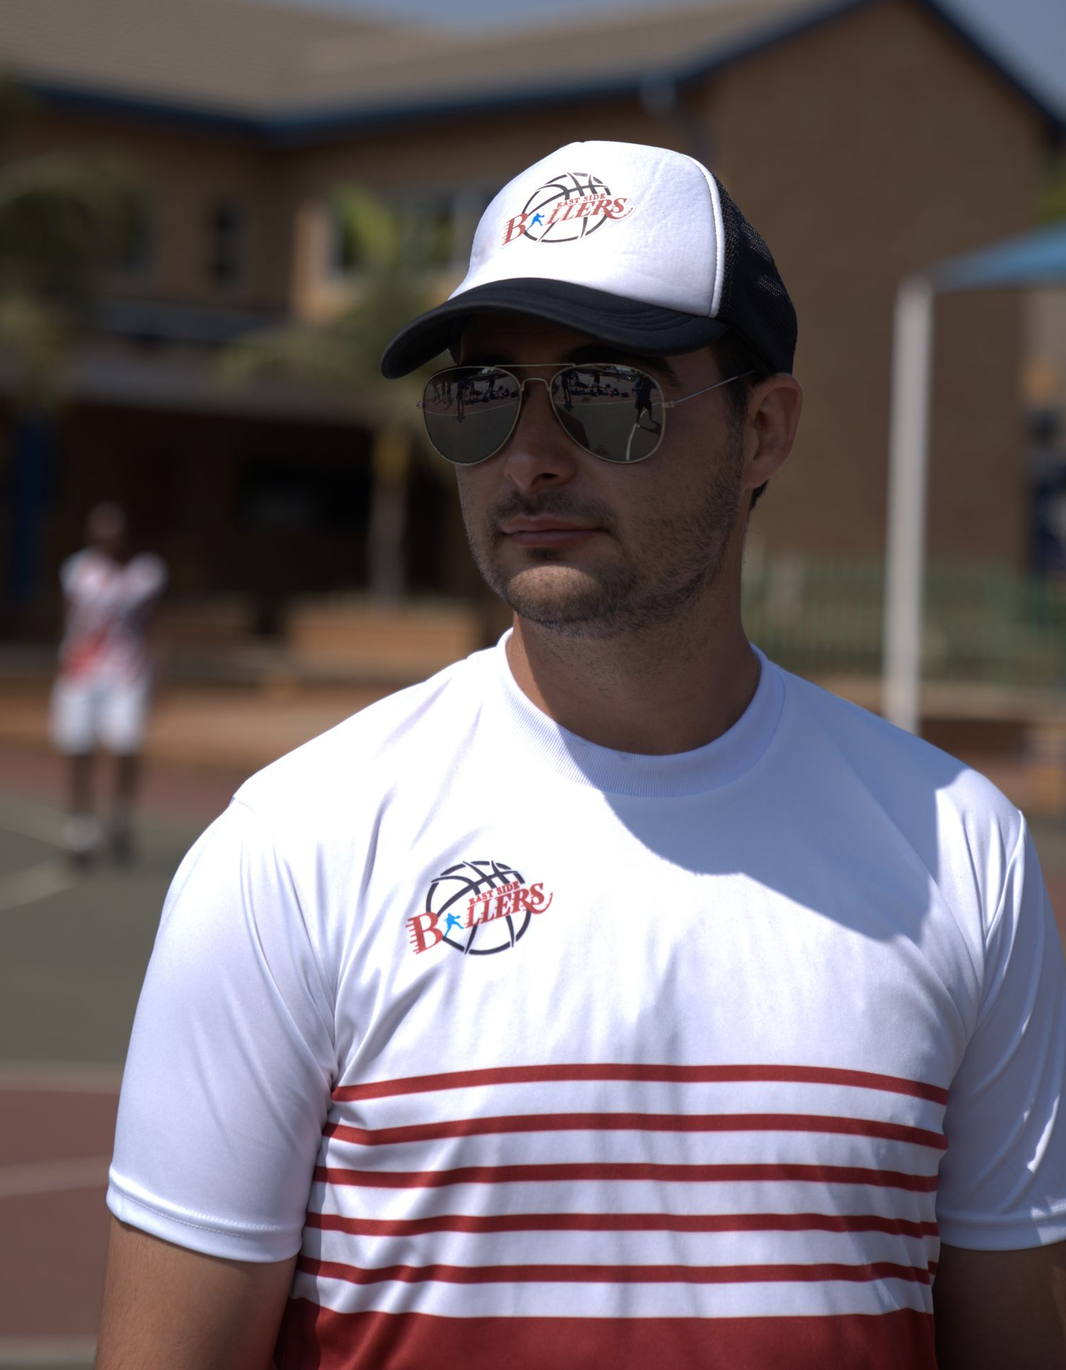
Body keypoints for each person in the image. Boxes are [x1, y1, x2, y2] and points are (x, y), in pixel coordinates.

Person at [95, 142, 1066, 1368]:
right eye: (480, 396)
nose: (530, 453)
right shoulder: (291, 845)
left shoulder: (959, 848)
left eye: (608, 392)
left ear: (762, 429)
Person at [50, 502, 166, 864]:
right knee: (78, 749)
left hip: (126, 675)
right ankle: (81, 829)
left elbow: (153, 624)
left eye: (115, 536)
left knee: (126, 747)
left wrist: (159, 673)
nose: (109, 543)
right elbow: (69, 617)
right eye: (102, 536)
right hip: (81, 673)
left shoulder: (145, 574)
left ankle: (120, 819)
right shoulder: (78, 571)